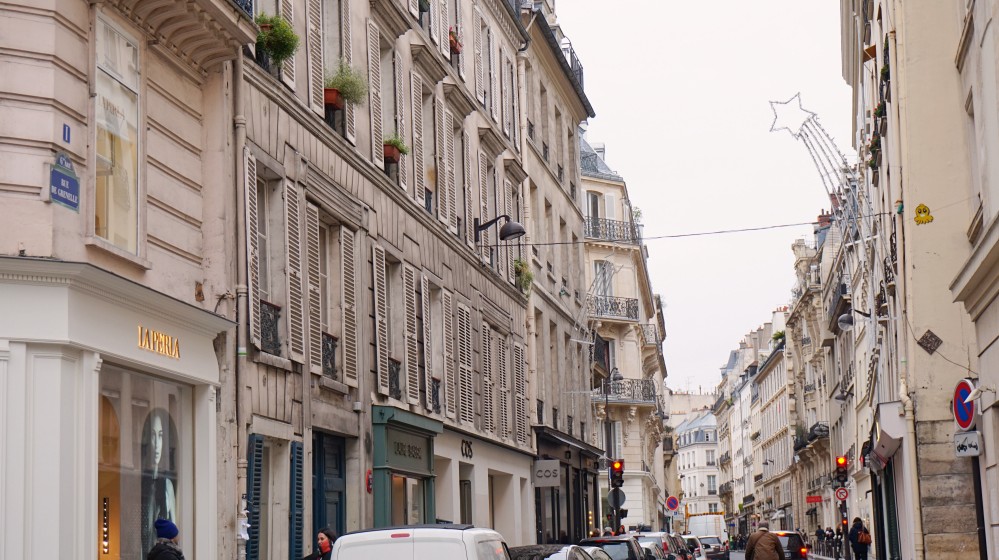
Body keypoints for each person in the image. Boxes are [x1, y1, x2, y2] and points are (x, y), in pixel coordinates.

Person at [142, 409, 178, 555]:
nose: (157, 443)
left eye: (161, 436)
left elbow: (175, 532)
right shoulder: (142, 484)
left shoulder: (167, 485)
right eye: (153, 435)